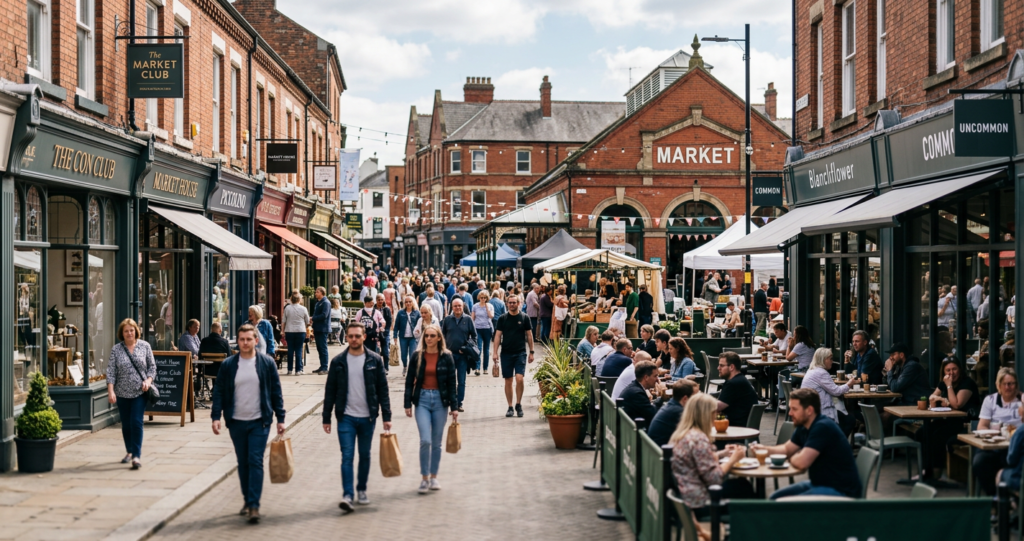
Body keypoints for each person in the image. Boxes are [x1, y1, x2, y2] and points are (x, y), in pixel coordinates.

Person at [210, 324, 286, 524]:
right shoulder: (228, 365)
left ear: (256, 340)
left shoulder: (266, 363)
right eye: (241, 339)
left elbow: (276, 392)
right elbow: (218, 392)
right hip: (236, 421)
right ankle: (247, 499)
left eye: (248, 339)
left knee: (255, 461)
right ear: (238, 341)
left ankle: (254, 505)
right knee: (243, 463)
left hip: (259, 422)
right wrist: (215, 416)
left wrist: (281, 419)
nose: (245, 343)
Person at [323, 322, 392, 512]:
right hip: (345, 416)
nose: (354, 339)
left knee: (364, 455)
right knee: (347, 456)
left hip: (367, 417)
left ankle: (361, 489)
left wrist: (387, 415)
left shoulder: (375, 360)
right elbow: (330, 390)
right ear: (346, 337)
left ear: (364, 337)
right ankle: (347, 495)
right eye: (350, 336)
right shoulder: (338, 361)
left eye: (357, 336)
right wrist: (326, 417)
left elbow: (382, 389)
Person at [752, 388, 862, 499]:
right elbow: (786, 449)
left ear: (809, 410)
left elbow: (801, 463)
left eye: (794, 409)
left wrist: (791, 457)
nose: (790, 413)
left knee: (785, 505)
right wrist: (763, 449)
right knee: (774, 498)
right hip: (820, 484)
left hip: (842, 491)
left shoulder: (822, 427)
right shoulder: (804, 425)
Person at [670, 393, 755, 520]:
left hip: (686, 497)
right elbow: (714, 478)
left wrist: (723, 454)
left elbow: (698, 460)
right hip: (700, 503)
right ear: (706, 415)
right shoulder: (699, 439)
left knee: (740, 485)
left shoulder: (683, 434)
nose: (716, 416)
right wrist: (733, 459)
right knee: (743, 487)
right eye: (714, 412)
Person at [403, 323, 459, 494]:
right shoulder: (417, 356)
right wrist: (407, 404)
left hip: (440, 402)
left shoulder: (447, 357)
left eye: (432, 336)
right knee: (425, 440)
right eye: (426, 336)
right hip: (422, 400)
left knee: (436, 442)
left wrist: (454, 407)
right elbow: (409, 381)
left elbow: (451, 383)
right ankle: (424, 478)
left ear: (439, 338)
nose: (428, 339)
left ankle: (434, 476)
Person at [107, 318, 156, 470]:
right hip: (121, 393)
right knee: (126, 425)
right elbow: (111, 372)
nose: (129, 333)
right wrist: (111, 391)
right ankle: (129, 451)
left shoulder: (145, 346)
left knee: (136, 422)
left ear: (136, 331)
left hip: (140, 392)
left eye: (131, 330)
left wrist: (148, 381)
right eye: (126, 331)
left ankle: (136, 456)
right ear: (122, 333)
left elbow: (152, 367)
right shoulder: (117, 349)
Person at [922, 356, 980, 480]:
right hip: (951, 420)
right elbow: (931, 398)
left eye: (954, 369)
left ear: (960, 369)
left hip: (966, 424)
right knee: (923, 431)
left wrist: (948, 387)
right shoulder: (944, 382)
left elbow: (957, 404)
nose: (951, 373)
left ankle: (936, 474)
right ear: (943, 371)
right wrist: (939, 398)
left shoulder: (967, 383)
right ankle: (926, 471)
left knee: (938, 435)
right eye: (948, 370)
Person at [973, 368, 1022, 495]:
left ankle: (1009, 498)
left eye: (1011, 383)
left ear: (1016, 385)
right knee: (980, 462)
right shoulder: (990, 400)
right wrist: (992, 433)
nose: (1008, 387)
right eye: (1004, 384)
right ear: (998, 385)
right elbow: (981, 426)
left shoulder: (1022, 400)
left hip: (1015, 446)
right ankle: (994, 498)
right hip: (993, 445)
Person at [492, 294, 535, 418]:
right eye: (509, 302)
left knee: (519, 378)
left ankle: (518, 404)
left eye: (514, 302)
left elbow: (529, 335)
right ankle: (510, 406)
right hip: (506, 353)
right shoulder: (502, 318)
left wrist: (531, 352)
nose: (511, 304)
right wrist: (495, 352)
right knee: (508, 380)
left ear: (518, 303)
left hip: (520, 352)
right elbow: (498, 336)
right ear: (507, 303)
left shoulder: (524, 317)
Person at [801, 348, 855, 434]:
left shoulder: (812, 370)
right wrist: (849, 383)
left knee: (847, 417)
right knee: (850, 420)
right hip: (820, 412)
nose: (832, 361)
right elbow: (836, 391)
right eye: (831, 359)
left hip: (810, 410)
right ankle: (836, 444)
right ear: (824, 359)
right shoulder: (821, 373)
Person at [441, 298, 477, 412]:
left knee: (461, 381)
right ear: (452, 307)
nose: (457, 308)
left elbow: (474, 336)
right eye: (455, 306)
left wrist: (467, 348)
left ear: (463, 306)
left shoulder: (468, 319)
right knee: (448, 380)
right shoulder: (447, 319)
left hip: (462, 356)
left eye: (459, 306)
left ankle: (459, 403)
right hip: (449, 356)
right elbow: (442, 336)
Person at [649, 379, 699, 446]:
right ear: (685, 399)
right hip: (663, 453)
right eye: (696, 396)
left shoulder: (672, 405)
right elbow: (696, 433)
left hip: (655, 450)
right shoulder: (678, 412)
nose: (699, 399)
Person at [716, 352, 759, 428]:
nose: (718, 368)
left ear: (732, 367)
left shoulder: (733, 383)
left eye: (721, 365)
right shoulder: (740, 379)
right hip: (742, 426)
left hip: (735, 428)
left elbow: (717, 407)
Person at [282, 292, 311, 375]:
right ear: (299, 300)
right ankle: (298, 370)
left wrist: (282, 331)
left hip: (289, 331)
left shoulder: (287, 308)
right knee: (298, 350)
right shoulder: (304, 309)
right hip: (300, 331)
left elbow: (283, 320)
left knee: (290, 350)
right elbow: (307, 321)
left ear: (291, 299)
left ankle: (289, 370)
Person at [394, 295, 421, 377]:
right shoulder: (400, 312)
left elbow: (420, 324)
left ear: (413, 303)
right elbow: (396, 325)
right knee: (403, 355)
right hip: (403, 337)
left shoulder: (417, 312)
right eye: (406, 302)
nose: (408, 303)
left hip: (413, 337)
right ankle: (405, 366)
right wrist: (395, 336)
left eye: (410, 302)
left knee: (412, 354)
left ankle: (411, 370)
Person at [472, 290, 495, 377]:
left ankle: (485, 368)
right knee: (479, 348)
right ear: (479, 298)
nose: (483, 299)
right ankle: (477, 368)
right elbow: (472, 318)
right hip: (478, 329)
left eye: (485, 298)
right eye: (481, 298)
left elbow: (491, 316)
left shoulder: (490, 306)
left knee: (486, 349)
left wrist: (487, 308)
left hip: (487, 329)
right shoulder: (475, 306)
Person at [311, 287, 332, 375]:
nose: (316, 293)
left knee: (323, 348)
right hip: (318, 328)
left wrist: (313, 318)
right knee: (319, 348)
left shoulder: (326, 303)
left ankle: (325, 367)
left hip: (323, 328)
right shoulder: (318, 303)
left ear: (322, 293)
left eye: (317, 292)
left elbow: (324, 315)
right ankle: (322, 365)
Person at [375, 294, 394, 370]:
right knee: (376, 351)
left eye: (382, 299)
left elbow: (389, 321)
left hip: (385, 332)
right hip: (375, 332)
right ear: (376, 300)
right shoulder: (374, 309)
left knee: (385, 351)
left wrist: (385, 330)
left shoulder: (387, 309)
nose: (380, 301)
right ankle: (377, 367)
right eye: (379, 299)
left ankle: (386, 367)